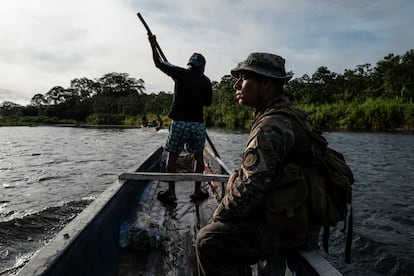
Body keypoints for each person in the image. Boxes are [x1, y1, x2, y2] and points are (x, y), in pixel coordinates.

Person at [195, 53, 321, 275]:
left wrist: (218, 215)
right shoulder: (288, 114)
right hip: (299, 218)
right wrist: (239, 175)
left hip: (289, 229)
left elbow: (251, 190)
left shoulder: (270, 126)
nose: (236, 84)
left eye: (243, 78)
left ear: (266, 84)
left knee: (208, 240)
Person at [147, 34, 213, 203]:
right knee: (199, 156)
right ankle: (197, 192)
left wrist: (153, 45)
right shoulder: (206, 81)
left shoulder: (181, 73)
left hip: (180, 123)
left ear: (190, 64)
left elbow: (158, 63)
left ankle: (171, 193)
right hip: (197, 125)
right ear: (202, 67)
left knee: (173, 155)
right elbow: (207, 103)